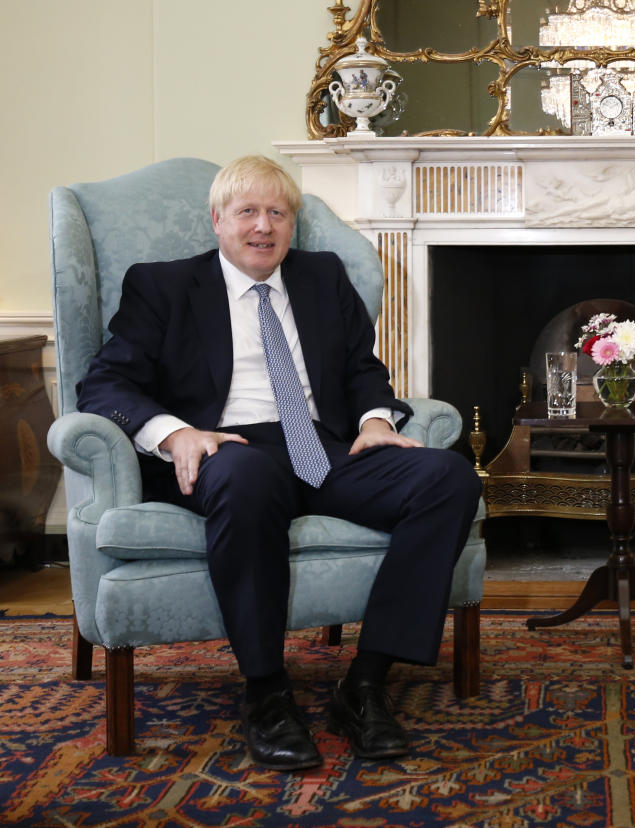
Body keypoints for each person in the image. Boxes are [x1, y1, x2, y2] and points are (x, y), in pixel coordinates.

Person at [76, 155, 482, 771]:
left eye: (277, 212)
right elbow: (104, 385)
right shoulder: (162, 286)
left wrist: (375, 421)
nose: (262, 226)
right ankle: (267, 693)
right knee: (247, 475)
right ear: (217, 221)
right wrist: (177, 433)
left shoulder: (322, 277)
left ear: (291, 225)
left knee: (447, 475)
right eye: (247, 212)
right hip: (226, 449)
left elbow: (361, 370)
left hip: (322, 447)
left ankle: (366, 683)